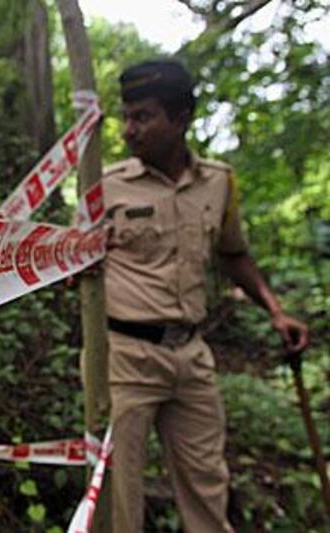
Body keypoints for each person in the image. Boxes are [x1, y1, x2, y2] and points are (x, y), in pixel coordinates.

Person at [101, 58, 309, 532]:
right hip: (124, 358)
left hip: (192, 358)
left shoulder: (219, 181)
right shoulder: (105, 183)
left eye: (143, 116)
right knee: (119, 499)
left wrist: (276, 311)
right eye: (126, 115)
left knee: (208, 489)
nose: (129, 129)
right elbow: (73, 260)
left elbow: (233, 254)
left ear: (181, 118)